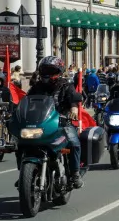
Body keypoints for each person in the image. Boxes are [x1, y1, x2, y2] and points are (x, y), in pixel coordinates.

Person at [19, 56, 83, 188]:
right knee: (21, 143)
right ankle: (24, 175)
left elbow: (73, 102)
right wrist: (17, 111)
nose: (47, 74)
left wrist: (73, 112)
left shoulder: (66, 86)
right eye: (45, 70)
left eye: (51, 70)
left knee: (74, 143)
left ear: (59, 71)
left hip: (61, 122)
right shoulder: (37, 87)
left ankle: (75, 173)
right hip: (41, 123)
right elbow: (26, 102)